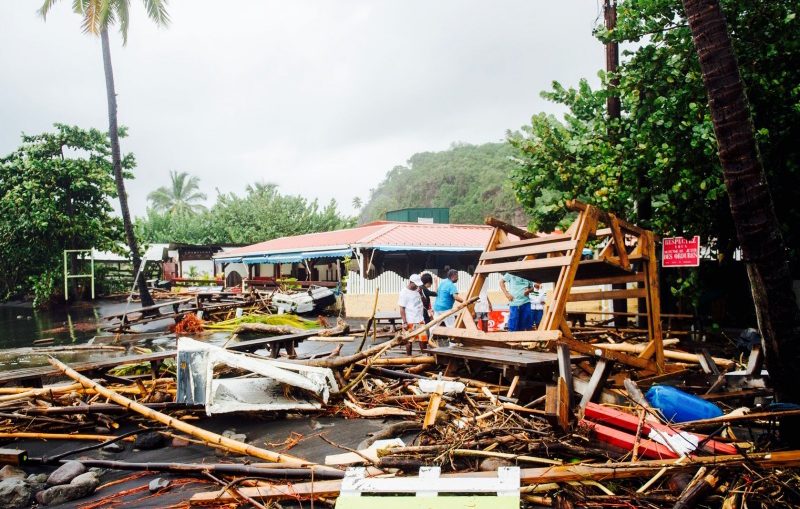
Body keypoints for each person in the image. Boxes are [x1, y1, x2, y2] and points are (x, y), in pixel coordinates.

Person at [398, 274, 427, 355]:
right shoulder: (404, 292)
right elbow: (402, 308)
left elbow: (425, 302)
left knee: (423, 340)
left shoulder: (418, 290)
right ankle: (409, 357)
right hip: (410, 320)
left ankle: (424, 356)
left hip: (420, 319)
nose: (417, 286)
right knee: (409, 341)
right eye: (415, 284)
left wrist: (421, 294)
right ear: (411, 282)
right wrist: (404, 322)